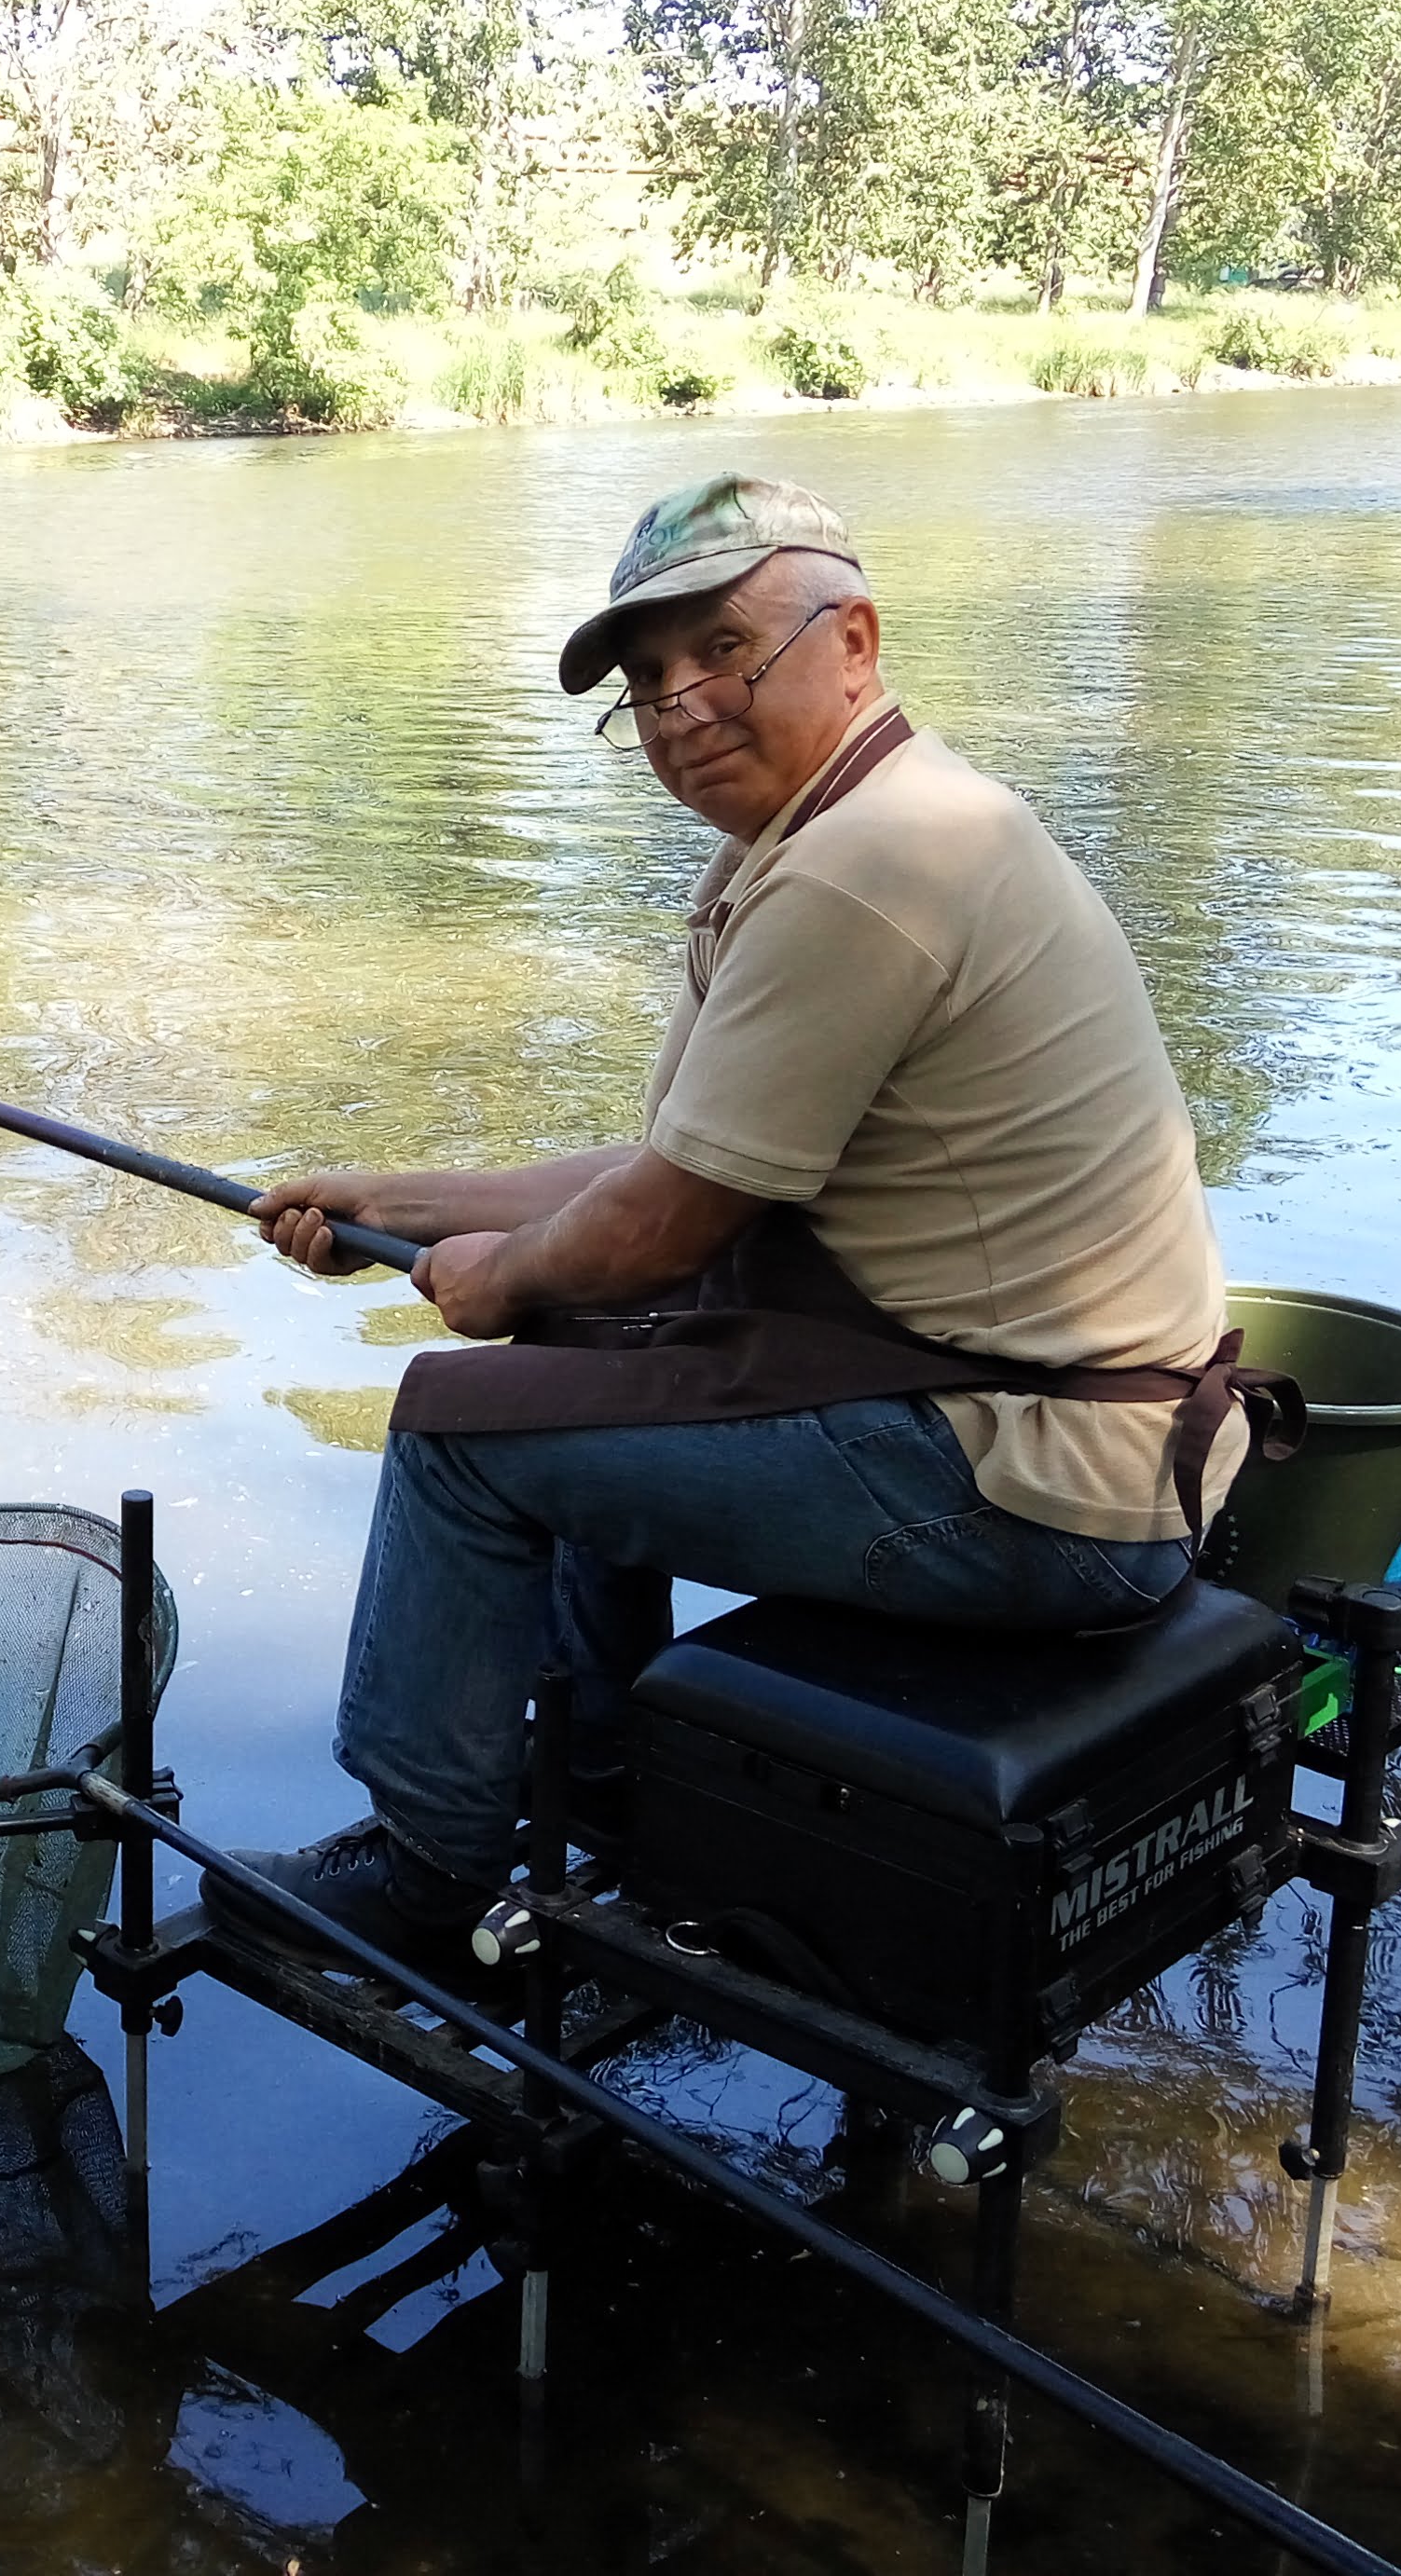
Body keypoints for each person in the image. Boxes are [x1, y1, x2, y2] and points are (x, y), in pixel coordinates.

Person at [209, 471, 1261, 1972]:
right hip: (1064, 1432)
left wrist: (494, 1283)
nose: (680, 705)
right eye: (644, 683)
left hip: (1045, 1490)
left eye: (723, 651)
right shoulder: (858, 828)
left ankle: (431, 1866)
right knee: (563, 1338)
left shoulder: (862, 867)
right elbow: (673, 1166)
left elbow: (657, 1227)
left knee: (458, 1429)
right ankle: (612, 1779)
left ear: (856, 640)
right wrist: (398, 1198)